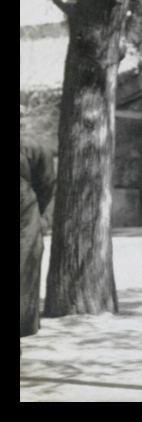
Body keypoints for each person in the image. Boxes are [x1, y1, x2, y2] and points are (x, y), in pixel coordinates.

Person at [21, 105, 55, 353]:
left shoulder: (33, 147)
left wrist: (37, 217)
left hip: (25, 219)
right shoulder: (35, 145)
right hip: (27, 215)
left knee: (24, 271)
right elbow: (45, 187)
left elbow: (46, 185)